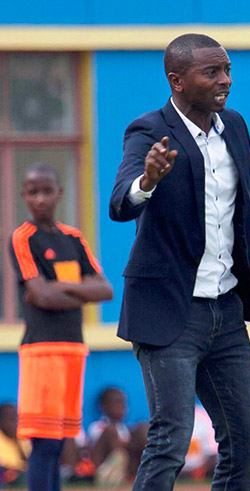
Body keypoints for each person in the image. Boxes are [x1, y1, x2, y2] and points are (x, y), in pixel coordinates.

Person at [109, 33, 250, 489]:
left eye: (227, 70)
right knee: (171, 438)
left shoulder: (235, 126)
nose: (225, 81)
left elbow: (249, 212)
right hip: (170, 310)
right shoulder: (149, 130)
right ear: (177, 80)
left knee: (247, 443)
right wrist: (147, 180)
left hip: (226, 312)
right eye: (212, 72)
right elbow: (119, 205)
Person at [9, 163, 114, 491]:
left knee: (61, 442)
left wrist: (59, 289)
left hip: (73, 349)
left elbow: (106, 290)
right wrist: (80, 291)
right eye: (32, 191)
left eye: (46, 190)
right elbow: (39, 294)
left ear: (60, 193)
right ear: (24, 195)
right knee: (44, 442)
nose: (40, 198)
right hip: (43, 350)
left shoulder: (73, 238)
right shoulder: (23, 238)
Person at [84, 387, 147, 485]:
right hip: (103, 466)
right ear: (103, 406)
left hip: (127, 465)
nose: (121, 407)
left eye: (123, 403)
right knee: (111, 433)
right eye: (117, 403)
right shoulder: (98, 426)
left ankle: (141, 474)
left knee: (143, 428)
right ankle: (113, 475)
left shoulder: (125, 428)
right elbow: (98, 449)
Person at [0, 403, 29, 485]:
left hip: (22, 474)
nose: (14, 423)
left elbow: (28, 461)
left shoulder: (22, 437)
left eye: (15, 418)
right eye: (9, 419)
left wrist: (16, 440)